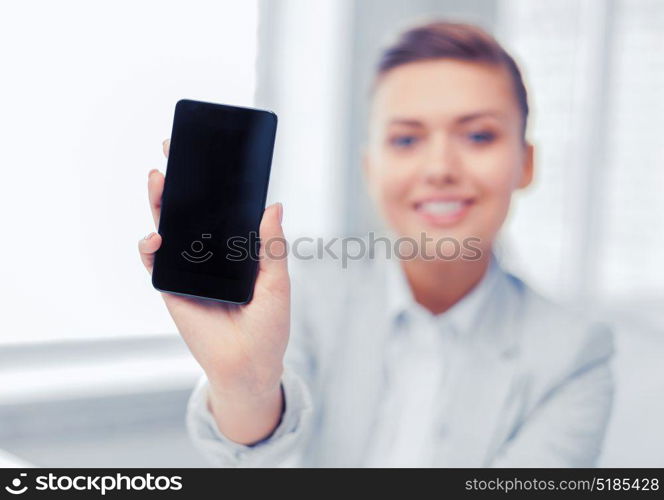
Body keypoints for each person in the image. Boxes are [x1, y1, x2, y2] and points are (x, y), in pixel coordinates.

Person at [138, 20, 614, 467]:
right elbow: (263, 461)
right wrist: (248, 385)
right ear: (371, 168)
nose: (440, 168)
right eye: (407, 140)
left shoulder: (575, 354)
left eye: (478, 134)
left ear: (526, 162)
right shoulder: (302, 296)